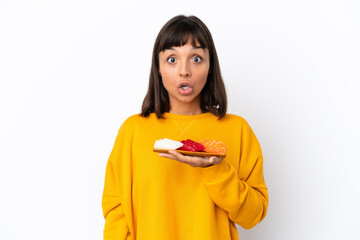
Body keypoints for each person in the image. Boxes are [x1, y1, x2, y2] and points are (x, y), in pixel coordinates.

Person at [102, 15, 268, 240]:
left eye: (196, 58)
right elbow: (117, 213)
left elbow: (253, 215)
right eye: (172, 59)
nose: (184, 71)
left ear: (210, 67)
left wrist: (216, 169)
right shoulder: (133, 131)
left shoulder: (237, 129)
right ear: (158, 68)